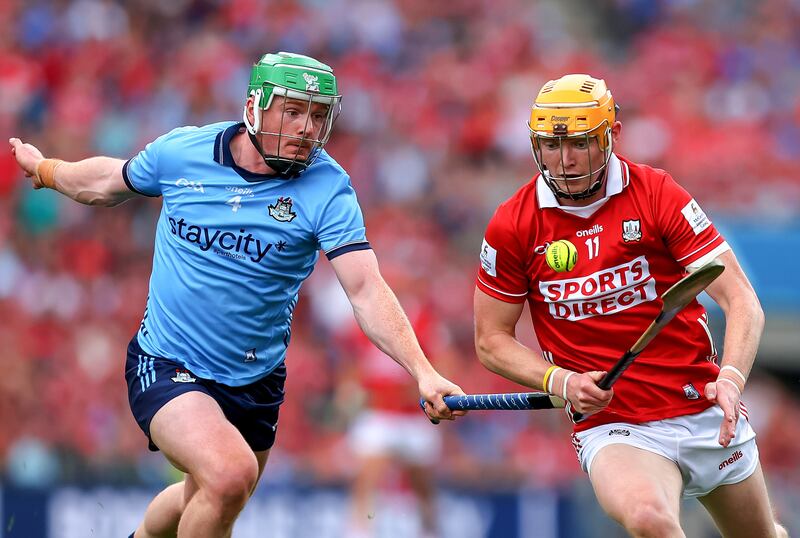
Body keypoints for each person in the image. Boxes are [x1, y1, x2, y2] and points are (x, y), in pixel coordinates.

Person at [9, 51, 464, 538]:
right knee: (229, 476)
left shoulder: (329, 188)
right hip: (167, 362)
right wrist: (49, 169)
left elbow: (365, 288)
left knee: (205, 493)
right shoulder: (183, 152)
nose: (308, 127)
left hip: (257, 381)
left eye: (317, 115)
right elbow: (106, 182)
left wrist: (423, 371)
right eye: (293, 111)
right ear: (256, 105)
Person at [473, 74, 788, 537]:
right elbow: (490, 340)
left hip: (700, 405)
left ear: (611, 136)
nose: (564, 161)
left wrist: (732, 378)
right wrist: (561, 380)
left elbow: (740, 298)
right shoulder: (514, 224)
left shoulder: (657, 193)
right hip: (614, 424)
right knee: (649, 519)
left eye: (580, 144)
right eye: (551, 146)